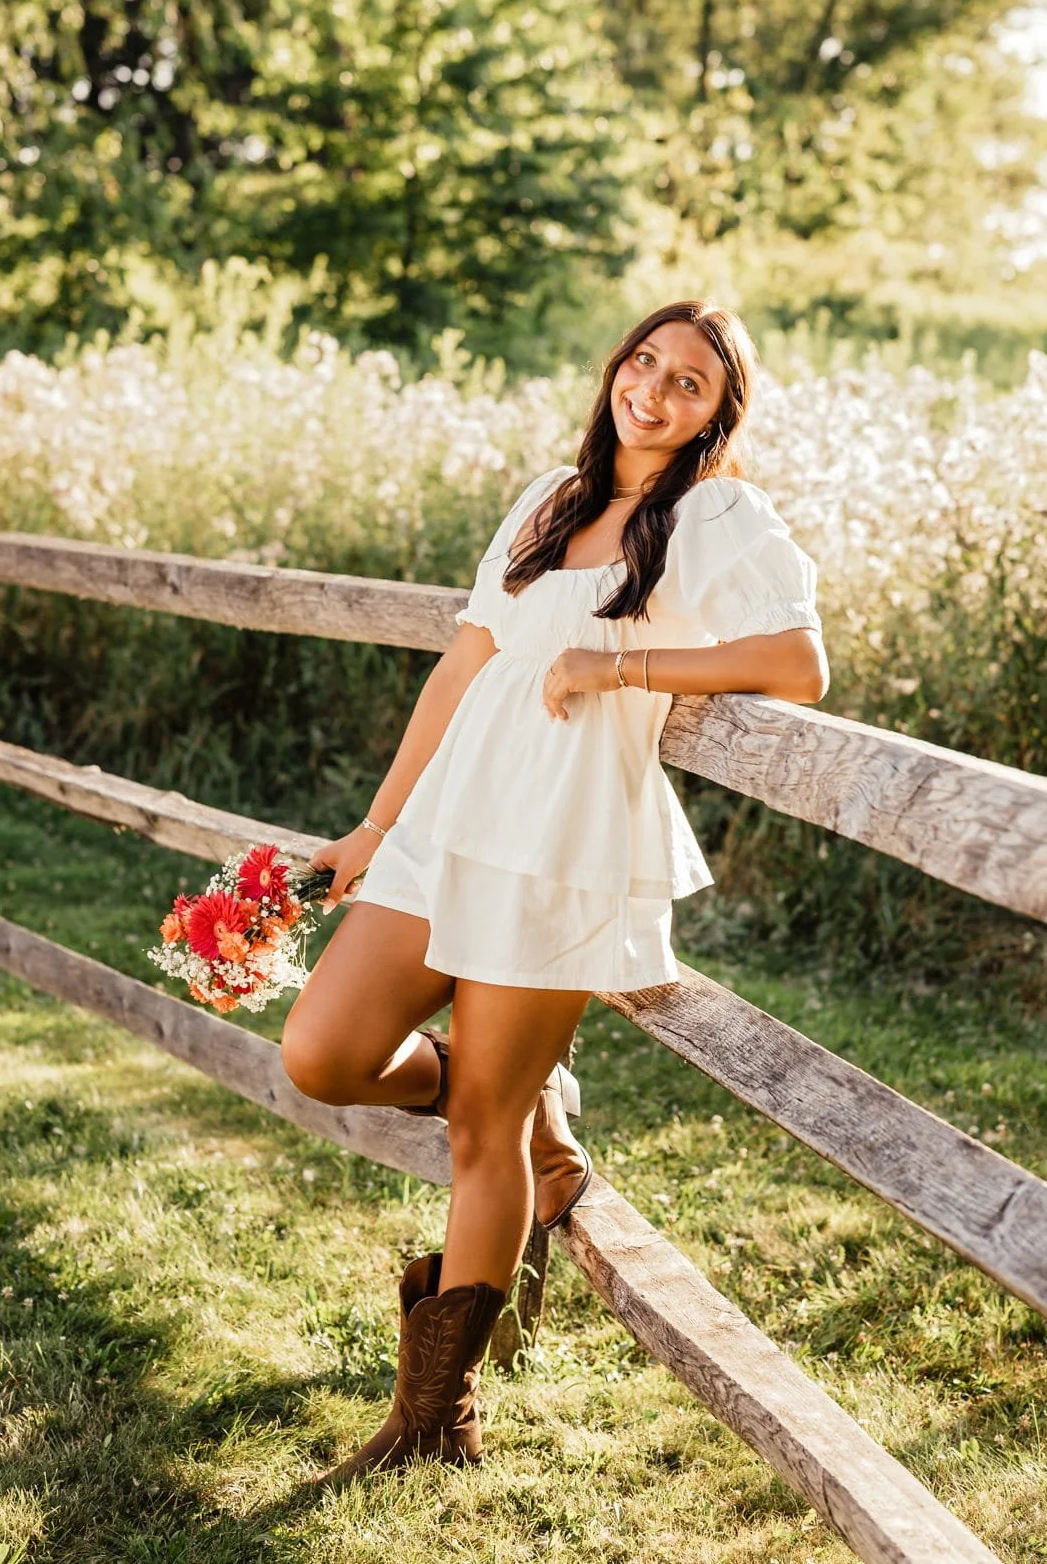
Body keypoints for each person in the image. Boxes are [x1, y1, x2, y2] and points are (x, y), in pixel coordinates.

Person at [280, 299, 828, 1482]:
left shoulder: (715, 512)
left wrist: (621, 662)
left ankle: (435, 1419)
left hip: (560, 841)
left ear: (715, 414)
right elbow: (464, 662)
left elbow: (796, 659)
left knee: (482, 1131)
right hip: (447, 823)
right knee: (323, 1050)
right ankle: (521, 1098)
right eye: (644, 361)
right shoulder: (548, 497)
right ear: (616, 366)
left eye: (688, 382)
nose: (654, 391)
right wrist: (375, 824)